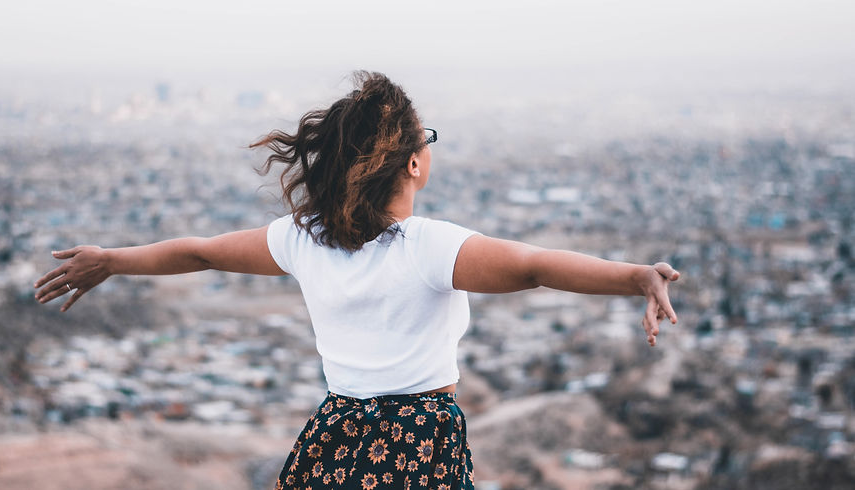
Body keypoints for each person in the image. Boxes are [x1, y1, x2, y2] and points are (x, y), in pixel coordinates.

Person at [33, 71, 680, 489]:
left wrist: (112, 259)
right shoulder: (429, 246)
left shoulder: (303, 239)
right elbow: (536, 266)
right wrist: (634, 277)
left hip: (335, 435)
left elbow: (199, 253)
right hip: (418, 441)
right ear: (414, 164)